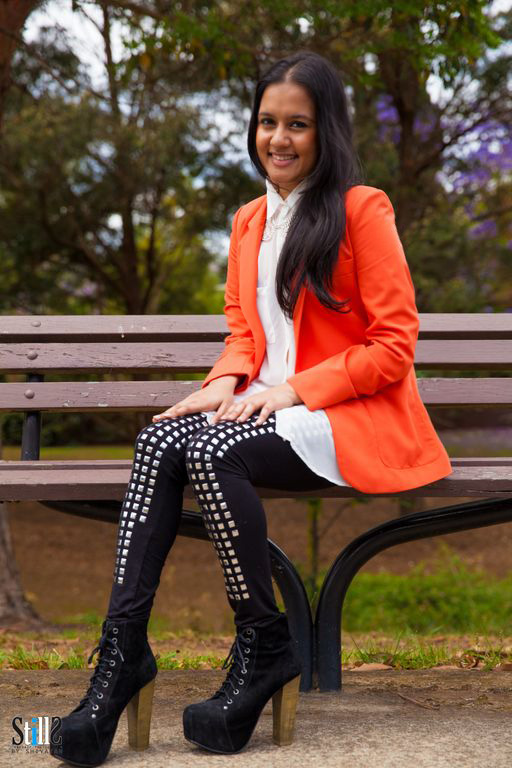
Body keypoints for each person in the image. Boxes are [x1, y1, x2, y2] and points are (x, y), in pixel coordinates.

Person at [50, 51, 453, 765]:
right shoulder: (248, 220)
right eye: (268, 122)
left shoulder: (362, 209)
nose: (279, 138)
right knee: (158, 442)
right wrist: (223, 382)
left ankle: (263, 642)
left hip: (340, 415)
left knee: (208, 451)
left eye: (298, 123)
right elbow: (244, 331)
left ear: (327, 130)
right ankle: (121, 657)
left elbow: (393, 347)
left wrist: (293, 390)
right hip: (261, 410)